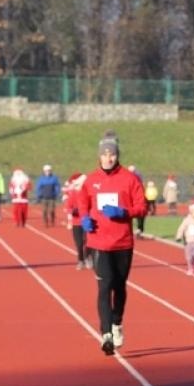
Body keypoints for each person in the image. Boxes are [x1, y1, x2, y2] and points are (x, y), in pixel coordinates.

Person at [74, 131, 147, 354]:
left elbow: (142, 207)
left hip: (122, 243)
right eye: (105, 154)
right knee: (104, 286)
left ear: (117, 156)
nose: (108, 158)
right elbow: (82, 201)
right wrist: (84, 218)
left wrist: (123, 212)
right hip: (98, 243)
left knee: (119, 286)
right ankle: (105, 333)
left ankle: (117, 323)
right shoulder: (91, 180)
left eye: (112, 154)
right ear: (99, 157)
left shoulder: (130, 179)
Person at [64, 170, 90, 269]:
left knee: (88, 242)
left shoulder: (88, 193)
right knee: (79, 243)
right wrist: (73, 211)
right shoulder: (73, 194)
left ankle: (88, 258)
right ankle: (80, 260)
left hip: (87, 221)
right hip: (77, 222)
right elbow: (68, 207)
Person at [128, 165, 149, 237]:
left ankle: (139, 229)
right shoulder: (135, 177)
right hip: (134, 197)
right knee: (139, 213)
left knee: (139, 212)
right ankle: (139, 229)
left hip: (136, 197)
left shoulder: (134, 178)